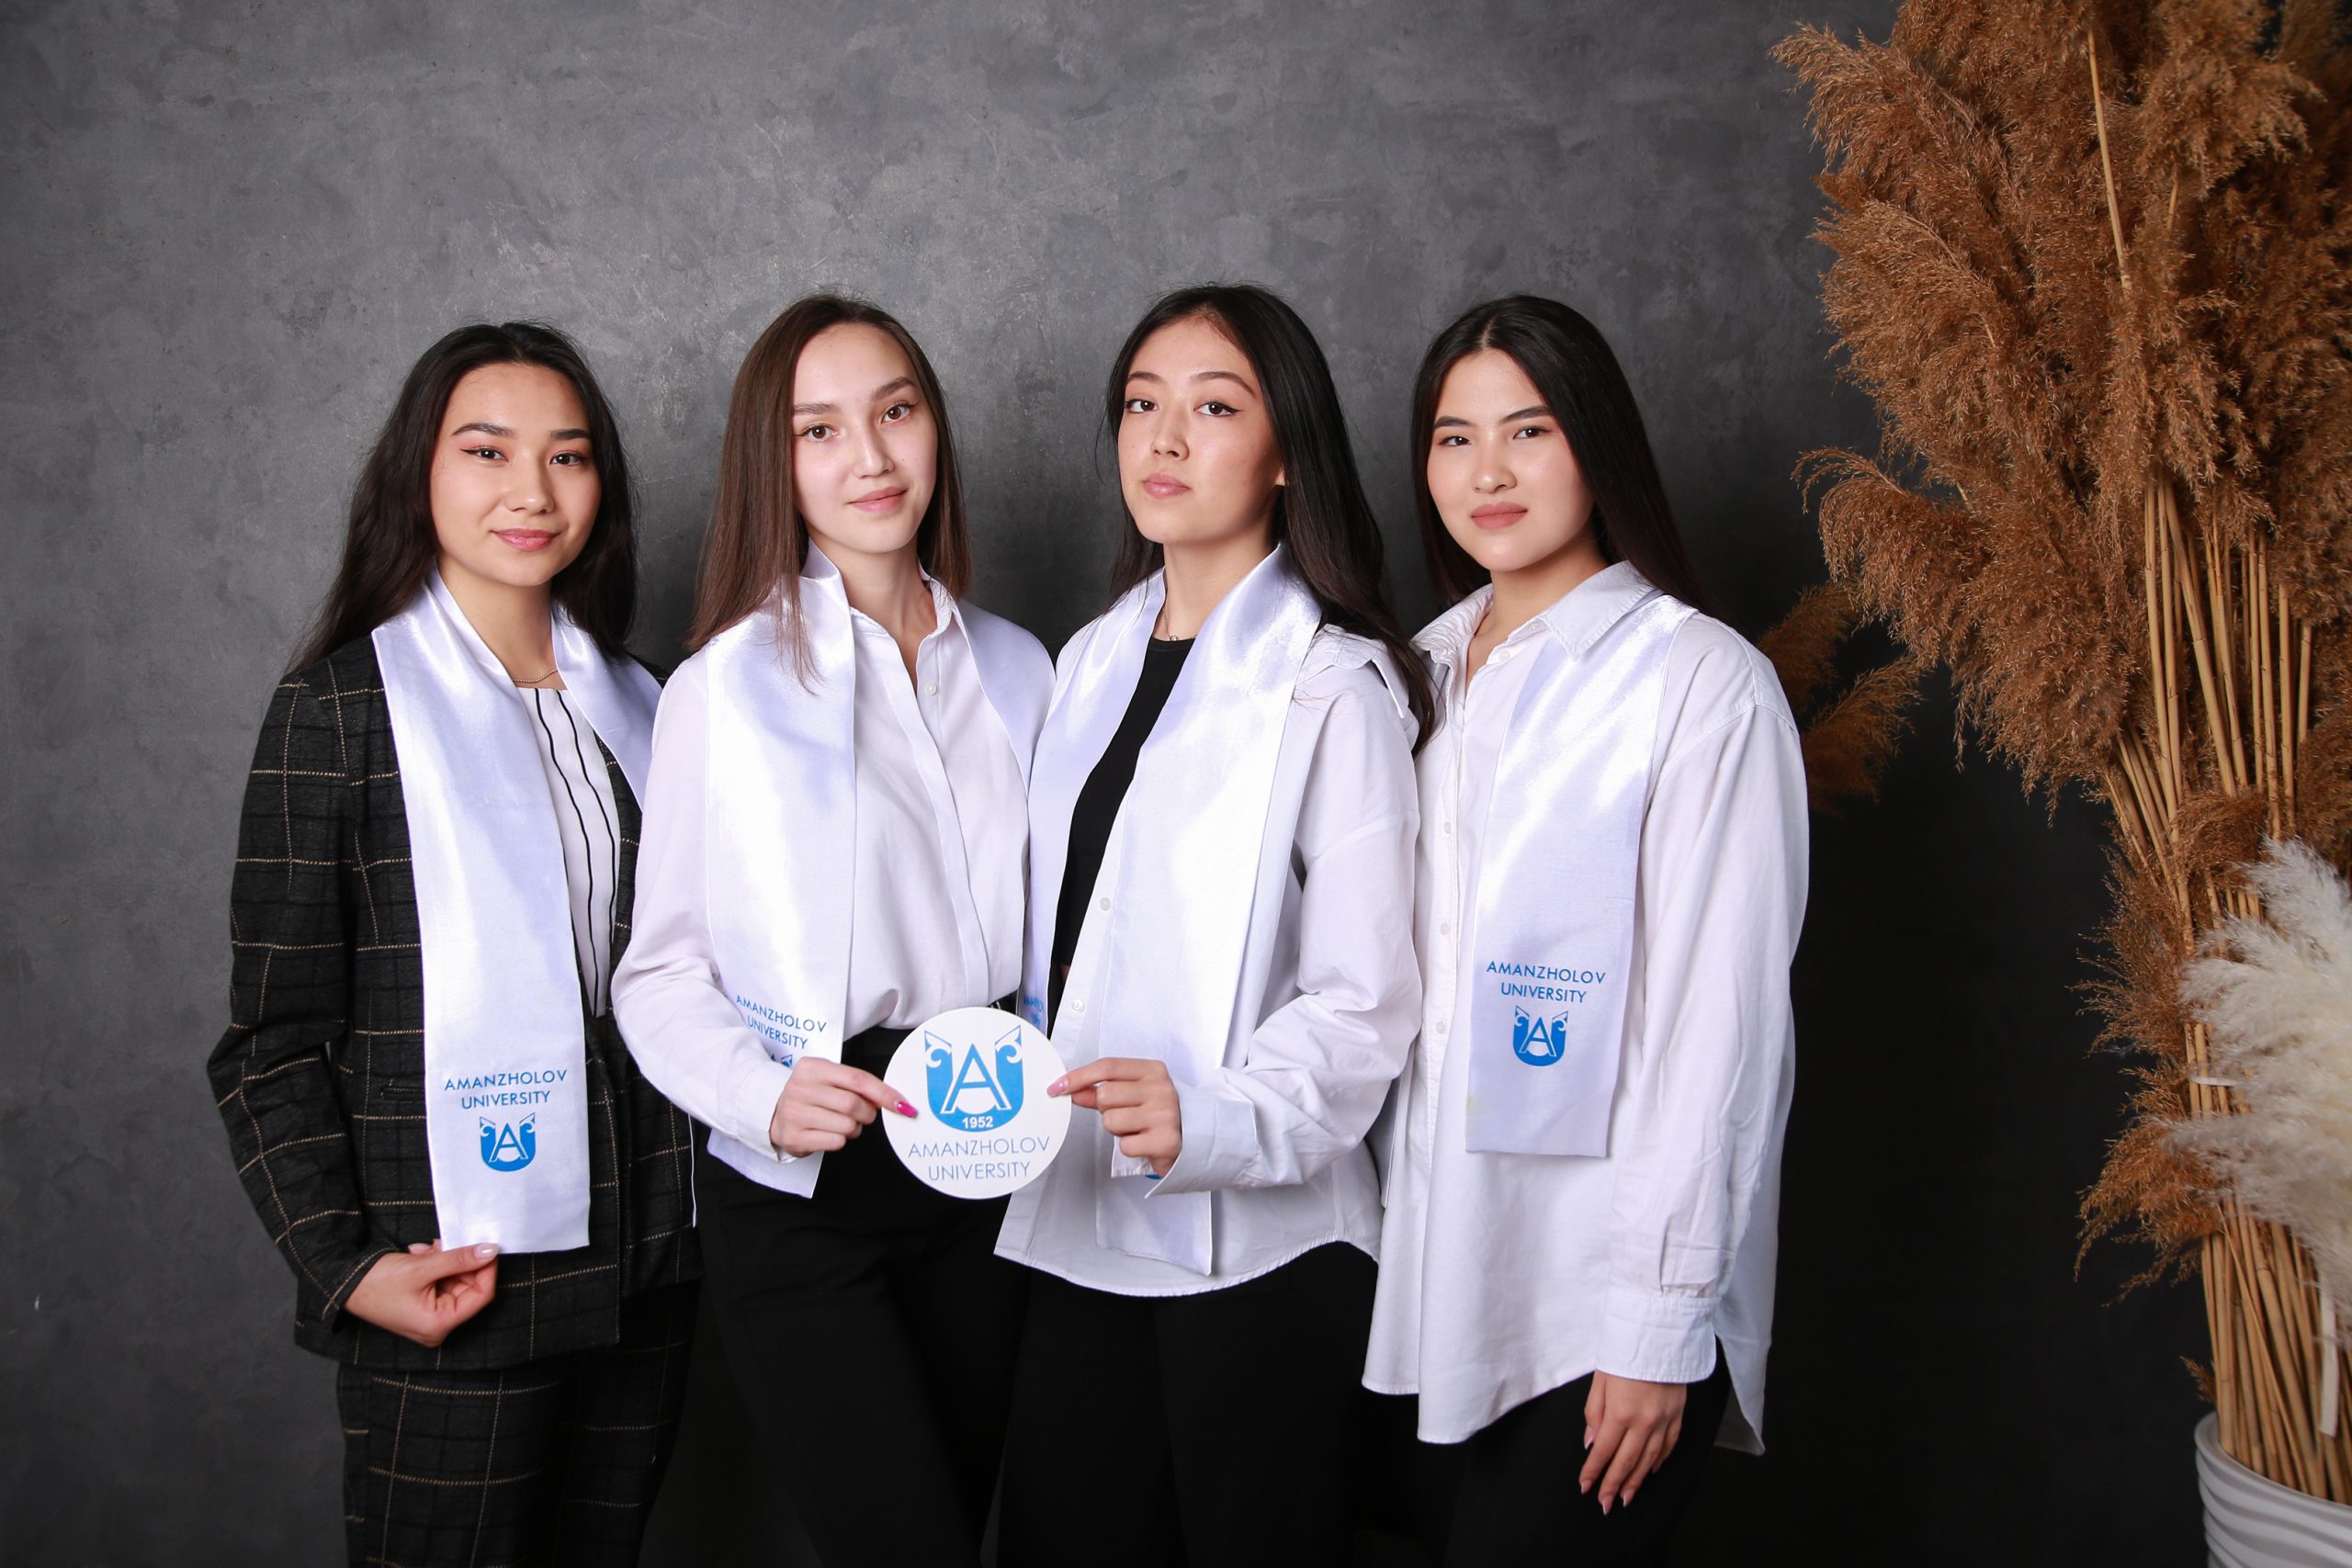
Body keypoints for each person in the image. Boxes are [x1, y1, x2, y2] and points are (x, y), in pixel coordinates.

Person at [206, 321, 697, 1568]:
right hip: (455, 1267)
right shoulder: (338, 713)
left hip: (649, 1266)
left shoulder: (650, 703)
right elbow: (273, 1039)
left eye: (567, 457)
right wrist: (343, 1266)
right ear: (417, 470)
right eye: (488, 451)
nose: (532, 490)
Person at [1363, 294, 1807, 1566]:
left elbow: (1722, 1031)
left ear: (1597, 442)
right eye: (1454, 439)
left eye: (1530, 430)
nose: (1487, 473)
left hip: (1594, 1306)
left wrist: (1658, 1326)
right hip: (1428, 1285)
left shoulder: (1699, 681)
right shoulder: (1409, 677)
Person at [994, 283, 1430, 1568]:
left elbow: (1364, 1003)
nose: (1166, 439)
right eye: (1142, 405)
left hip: (1267, 1254)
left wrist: (1214, 1116)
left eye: (1216, 407)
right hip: (1076, 1218)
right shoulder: (1088, 664)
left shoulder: (1335, 687)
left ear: (1288, 451)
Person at [610, 296, 1051, 1568]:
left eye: (895, 412)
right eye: (819, 430)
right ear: (777, 461)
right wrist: (760, 1096)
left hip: (989, 1157)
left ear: (935, 428)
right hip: (810, 1182)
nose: (870, 457)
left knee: (963, 1530)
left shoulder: (1023, 668)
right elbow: (661, 970)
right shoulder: (725, 689)